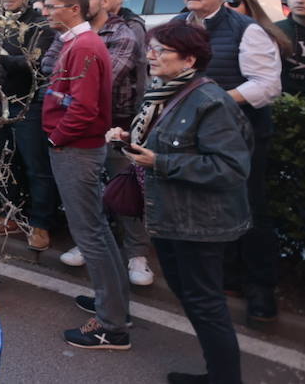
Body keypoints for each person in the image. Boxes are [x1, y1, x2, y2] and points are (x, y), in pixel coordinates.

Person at [106, 21, 252, 384]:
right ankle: (217, 373)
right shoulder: (164, 92)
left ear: (189, 59)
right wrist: (127, 139)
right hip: (170, 216)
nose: (150, 56)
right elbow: (165, 141)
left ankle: (224, 378)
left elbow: (231, 166)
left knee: (205, 303)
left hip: (199, 222)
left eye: (160, 51)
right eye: (149, 48)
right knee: (192, 299)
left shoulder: (208, 100)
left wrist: (161, 162)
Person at [171, 0, 281, 323]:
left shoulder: (245, 29)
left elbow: (266, 85)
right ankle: (222, 279)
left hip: (241, 134)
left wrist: (215, 100)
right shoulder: (177, 26)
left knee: (249, 206)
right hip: (192, 134)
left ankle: (261, 291)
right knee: (204, 209)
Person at [40, 0, 129, 350]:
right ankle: (113, 304)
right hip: (75, 146)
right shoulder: (79, 43)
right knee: (95, 230)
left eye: (51, 6)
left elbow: (85, 106)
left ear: (73, 9)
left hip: (76, 149)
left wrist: (56, 138)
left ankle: (112, 325)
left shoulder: (86, 46)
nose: (45, 13)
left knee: (89, 232)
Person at [62, 0, 154, 285]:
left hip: (119, 124)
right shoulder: (67, 33)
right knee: (88, 188)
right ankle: (90, 245)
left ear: (105, 1)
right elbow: (50, 72)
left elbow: (98, 81)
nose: (81, 3)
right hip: (80, 123)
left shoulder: (123, 33)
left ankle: (137, 255)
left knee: (125, 187)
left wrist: (66, 86)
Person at [0, 0, 58, 251]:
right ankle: (11, 214)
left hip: (28, 103)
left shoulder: (40, 26)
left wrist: (0, 57)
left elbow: (35, 64)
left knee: (36, 166)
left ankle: (41, 223)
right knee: (5, 163)